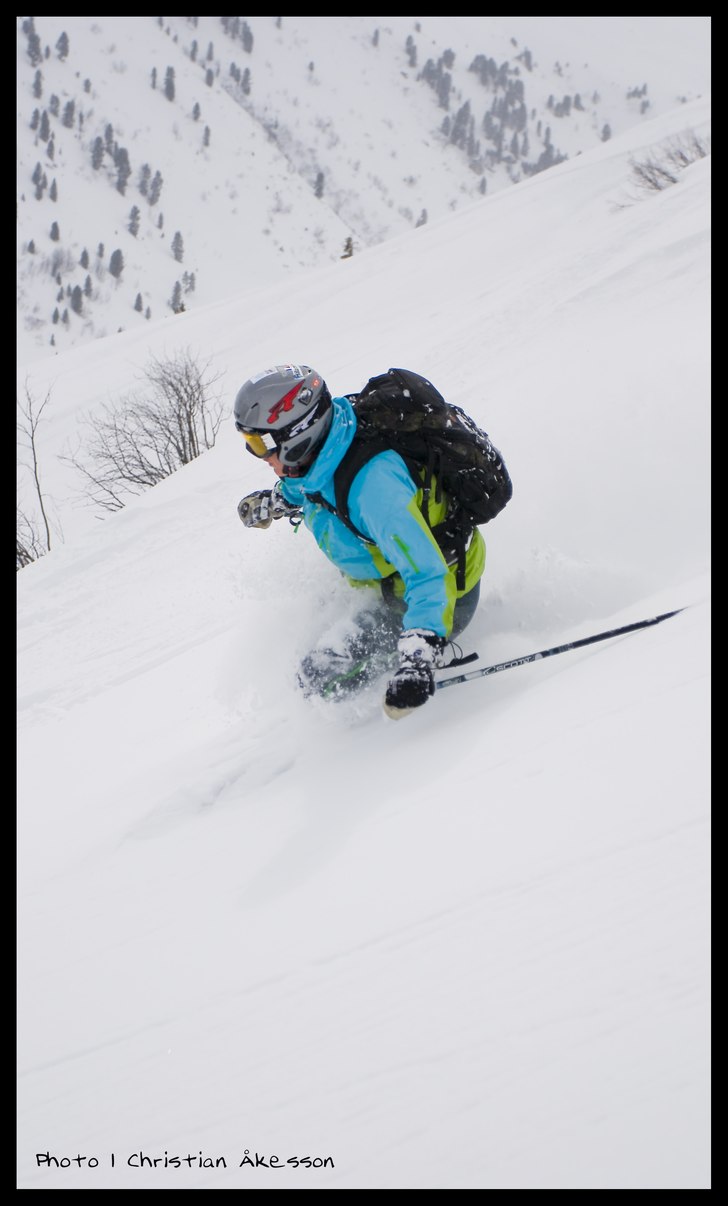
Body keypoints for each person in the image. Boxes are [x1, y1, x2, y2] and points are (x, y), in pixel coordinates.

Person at [234, 364, 485, 718]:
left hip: (438, 596)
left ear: (298, 433)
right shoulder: (325, 447)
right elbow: (309, 486)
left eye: (262, 443)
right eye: (251, 443)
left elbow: (429, 574)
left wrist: (418, 656)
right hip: (381, 584)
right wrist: (274, 503)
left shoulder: (375, 490)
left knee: (316, 678)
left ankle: (361, 738)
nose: (260, 455)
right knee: (311, 639)